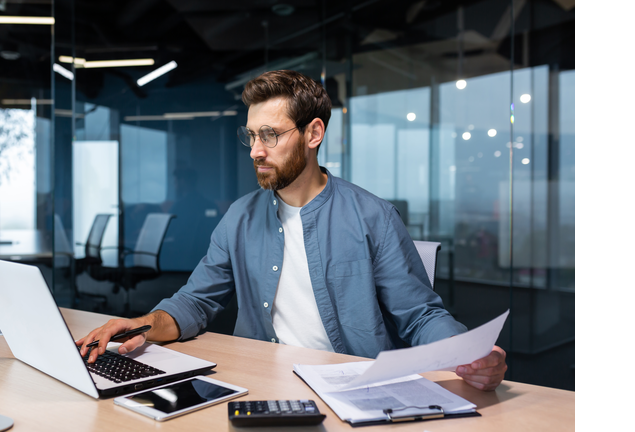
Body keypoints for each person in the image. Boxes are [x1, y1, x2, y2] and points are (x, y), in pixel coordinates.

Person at [77, 70, 507, 391]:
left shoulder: (373, 216)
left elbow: (419, 315)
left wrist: (469, 354)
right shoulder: (239, 218)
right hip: (260, 381)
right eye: (251, 137)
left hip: (354, 387)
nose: (256, 151)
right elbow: (195, 301)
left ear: (313, 133)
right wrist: (143, 324)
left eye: (270, 135)